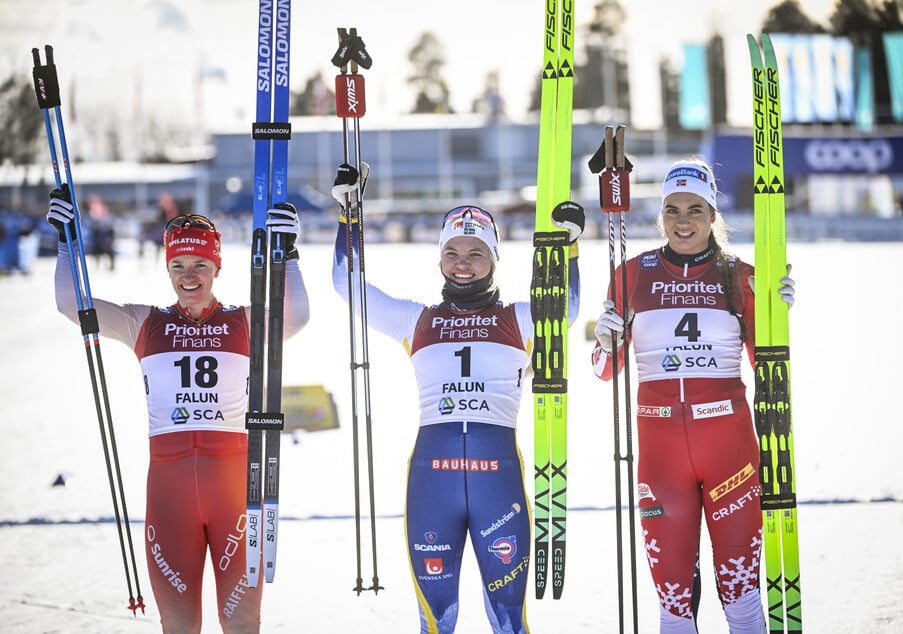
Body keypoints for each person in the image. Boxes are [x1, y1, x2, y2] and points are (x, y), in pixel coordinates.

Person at [331, 163, 585, 634]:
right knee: (436, 619)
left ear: (493, 260)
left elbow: (566, 307)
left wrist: (569, 248)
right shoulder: (416, 320)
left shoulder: (520, 319)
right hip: (432, 484)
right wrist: (350, 220)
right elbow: (349, 285)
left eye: (476, 253)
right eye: (452, 252)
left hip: (498, 486)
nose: (462, 263)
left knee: (509, 620)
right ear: (440, 259)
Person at [47, 189, 310, 634]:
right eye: (178, 266)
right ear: (167, 268)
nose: (189, 276)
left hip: (233, 490)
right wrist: (67, 241)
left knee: (243, 623)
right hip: (170, 493)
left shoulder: (244, 322)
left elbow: (297, 314)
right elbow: (73, 304)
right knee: (179, 625)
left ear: (216, 267)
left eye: (200, 266)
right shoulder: (143, 323)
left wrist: (290, 255)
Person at [590, 159, 795, 634]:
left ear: (712, 216)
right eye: (672, 209)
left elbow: (769, 367)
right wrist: (603, 343)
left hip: (729, 447)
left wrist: (776, 315)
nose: (683, 220)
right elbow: (604, 372)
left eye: (695, 209)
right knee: (673, 603)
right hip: (661, 456)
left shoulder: (740, 275)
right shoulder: (631, 274)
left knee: (742, 596)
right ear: (660, 216)